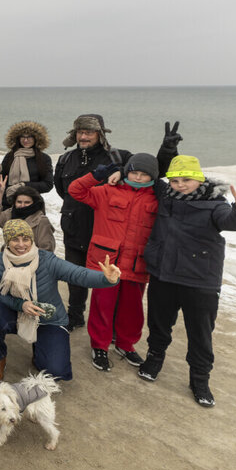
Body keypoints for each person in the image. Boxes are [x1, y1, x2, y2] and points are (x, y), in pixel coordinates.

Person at [139, 156, 236, 407]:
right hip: (163, 274)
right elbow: (148, 171)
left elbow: (230, 221)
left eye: (187, 180)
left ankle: (200, 379)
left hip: (200, 280)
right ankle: (154, 358)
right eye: (175, 180)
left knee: (200, 333)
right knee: (159, 324)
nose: (180, 185)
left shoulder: (215, 204)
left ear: (199, 178)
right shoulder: (165, 196)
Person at [53, 116, 179, 331]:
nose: (83, 136)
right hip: (74, 228)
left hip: (108, 232)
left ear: (100, 134)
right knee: (75, 276)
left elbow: (152, 172)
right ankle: (75, 315)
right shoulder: (66, 159)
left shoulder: (118, 157)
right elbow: (63, 190)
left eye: (89, 132)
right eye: (80, 132)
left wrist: (167, 151)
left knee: (114, 282)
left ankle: (111, 326)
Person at [0, 220, 121, 380]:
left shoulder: (47, 260)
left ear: (32, 240)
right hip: (17, 314)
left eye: (25, 239)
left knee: (56, 371)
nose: (21, 245)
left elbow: (78, 274)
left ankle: (41, 349)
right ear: (7, 241)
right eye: (15, 239)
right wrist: (21, 304)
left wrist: (106, 279)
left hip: (47, 318)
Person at [68, 154, 160, 372]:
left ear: (153, 176)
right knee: (103, 305)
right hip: (107, 262)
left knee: (133, 309)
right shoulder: (106, 191)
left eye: (144, 174)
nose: (137, 177)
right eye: (134, 172)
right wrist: (96, 175)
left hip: (138, 264)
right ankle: (99, 346)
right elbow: (75, 190)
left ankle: (125, 345)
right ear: (126, 172)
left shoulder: (157, 199)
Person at [0, 121, 54, 206]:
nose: (25, 140)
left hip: (33, 205)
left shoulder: (43, 158)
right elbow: (2, 182)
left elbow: (47, 185)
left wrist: (23, 186)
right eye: (22, 137)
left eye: (29, 137)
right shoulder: (10, 156)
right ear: (17, 138)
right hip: (8, 203)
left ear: (37, 138)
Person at [0, 180, 55, 252]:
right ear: (14, 202)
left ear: (34, 203)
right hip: (9, 257)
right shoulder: (10, 213)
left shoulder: (42, 221)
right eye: (19, 202)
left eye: (27, 202)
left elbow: (47, 249)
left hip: (33, 260)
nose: (22, 205)